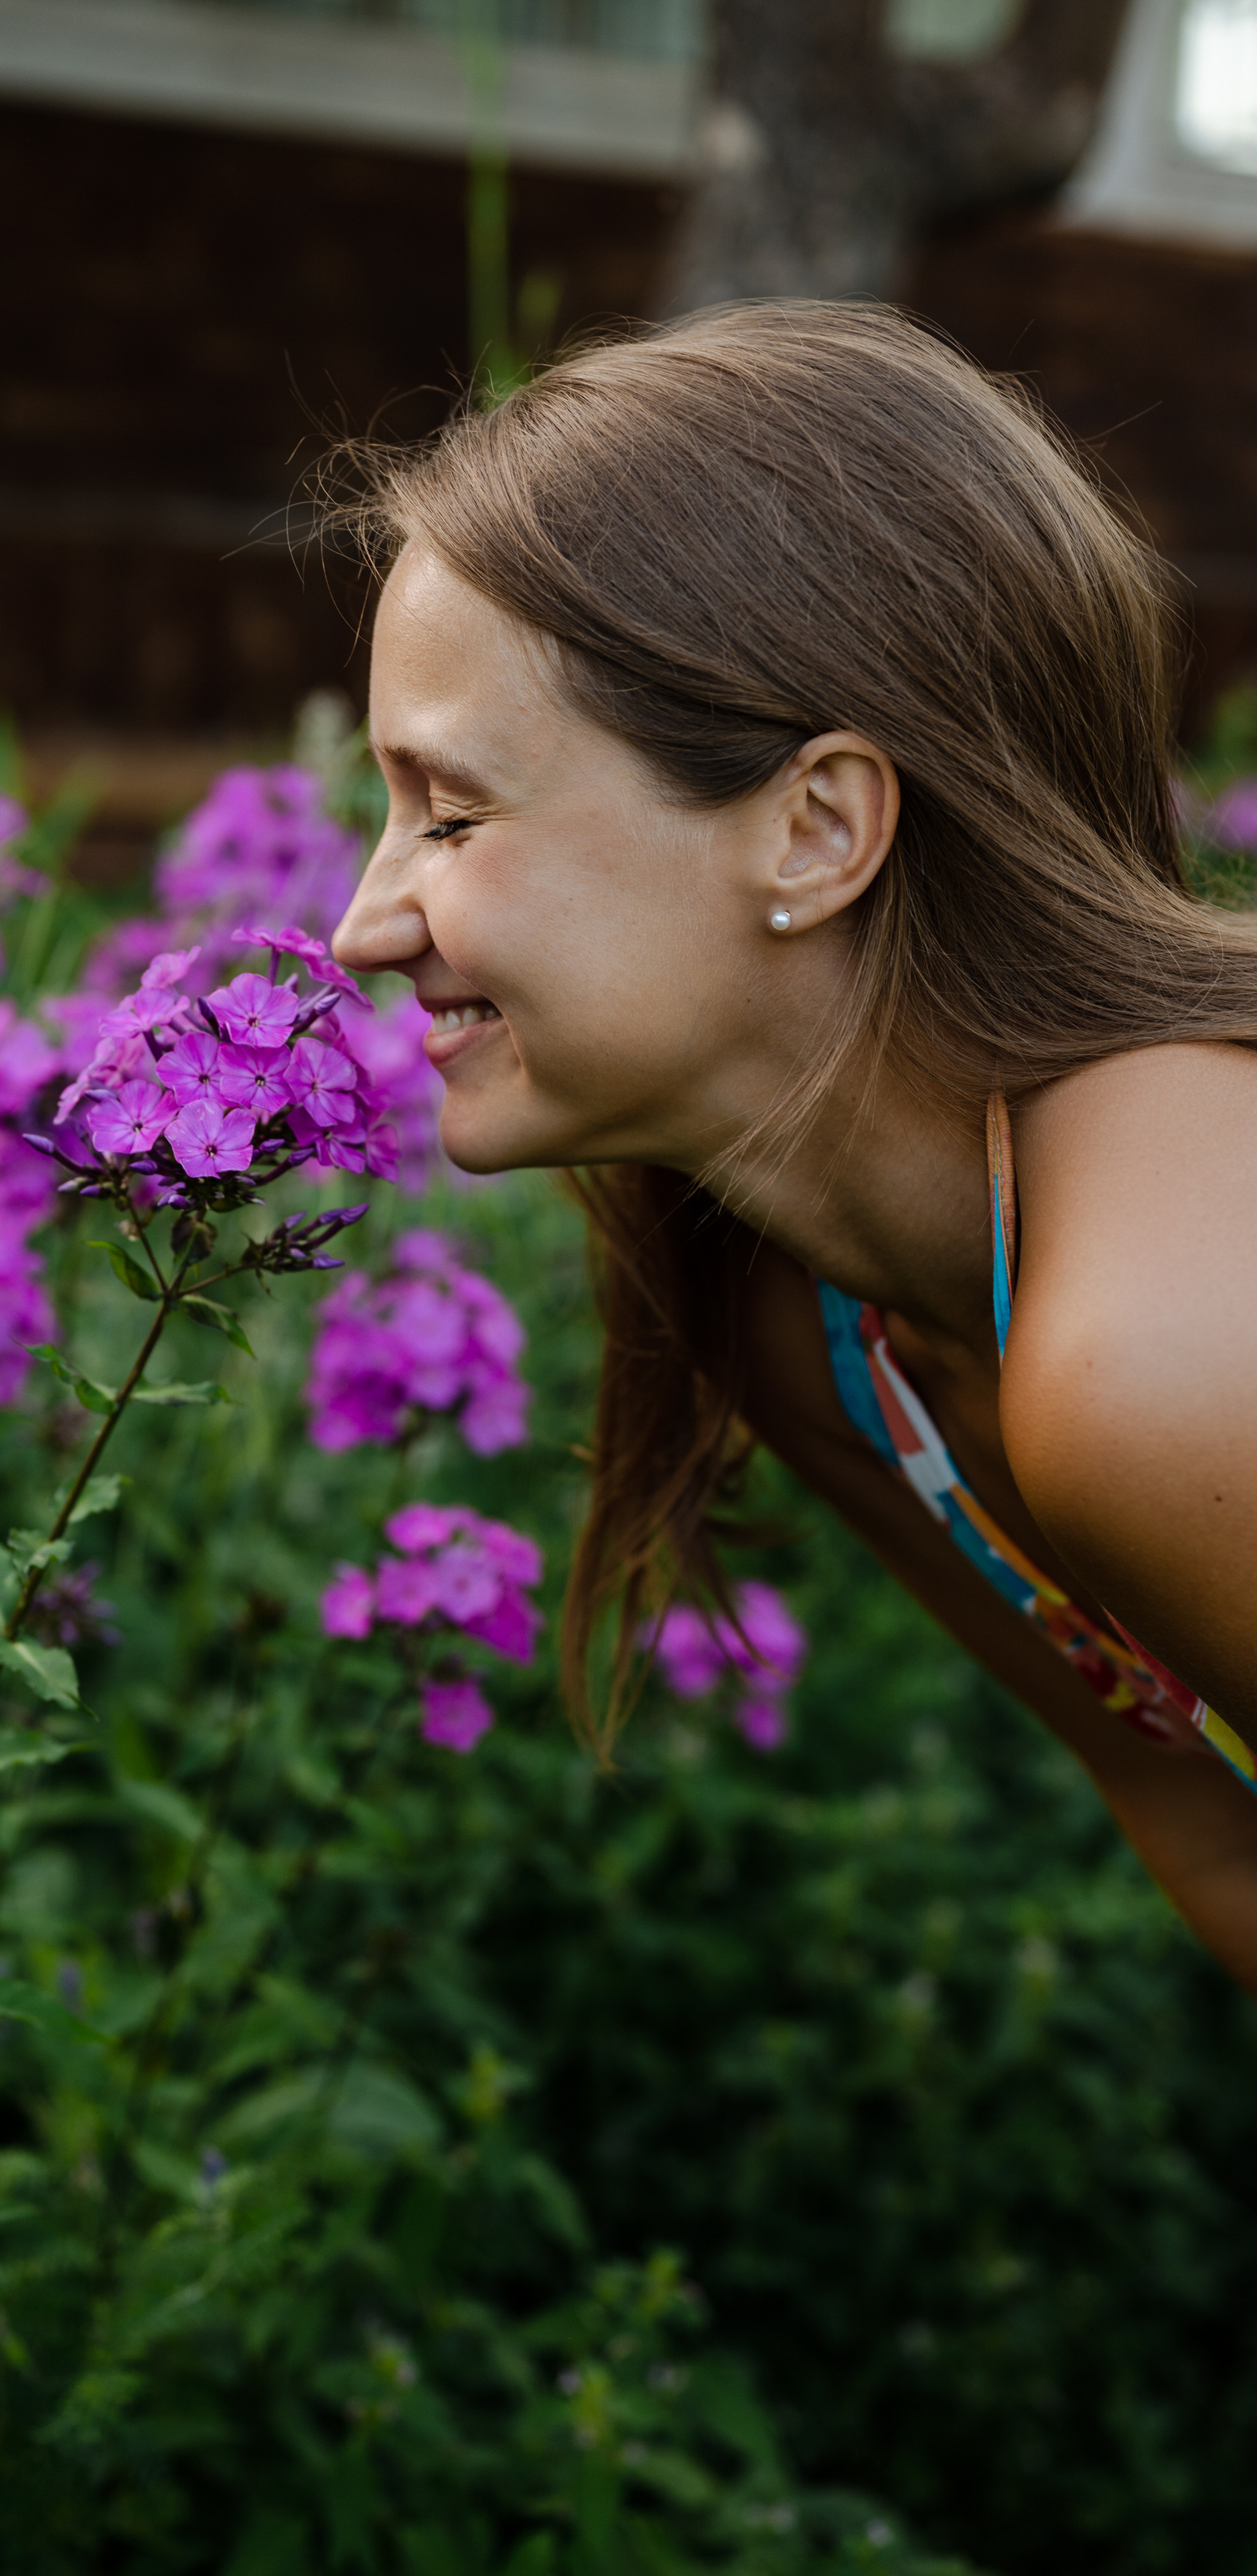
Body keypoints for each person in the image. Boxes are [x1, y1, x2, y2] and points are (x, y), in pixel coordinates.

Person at [329, 301, 1257, 1993]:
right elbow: (1204, 1821)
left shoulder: (1164, 1349)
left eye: (449, 812)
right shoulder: (817, 1332)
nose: (361, 924)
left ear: (815, 827)